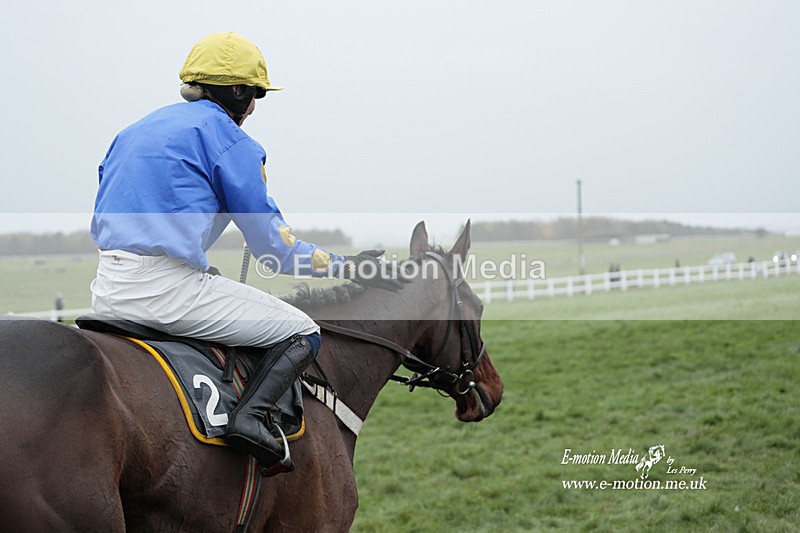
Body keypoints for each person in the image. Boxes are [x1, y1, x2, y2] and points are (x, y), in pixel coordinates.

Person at [90, 32, 404, 472]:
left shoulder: (133, 130)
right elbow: (274, 248)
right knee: (302, 331)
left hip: (106, 287)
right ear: (237, 92)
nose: (254, 107)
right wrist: (347, 266)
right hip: (165, 291)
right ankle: (250, 420)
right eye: (254, 94)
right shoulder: (231, 141)